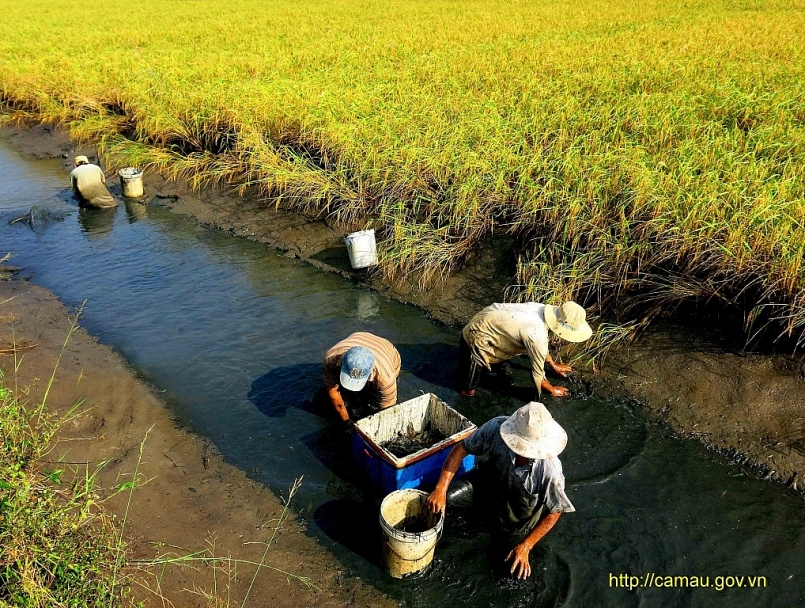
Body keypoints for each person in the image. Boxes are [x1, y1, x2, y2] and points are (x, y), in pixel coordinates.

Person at [426, 402, 574, 579]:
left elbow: (555, 510)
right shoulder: (496, 428)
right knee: (446, 500)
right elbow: (460, 450)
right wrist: (440, 489)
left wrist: (526, 546)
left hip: (518, 518)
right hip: (489, 485)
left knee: (510, 570)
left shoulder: (550, 469)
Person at [459, 300, 592, 398]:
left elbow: (540, 345)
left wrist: (552, 364)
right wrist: (551, 389)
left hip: (492, 322)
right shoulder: (536, 334)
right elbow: (537, 373)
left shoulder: (541, 309)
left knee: (504, 372)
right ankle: (467, 388)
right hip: (476, 335)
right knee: (469, 391)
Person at [322, 331, 401, 423]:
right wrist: (346, 421)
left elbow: (387, 408)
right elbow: (332, 391)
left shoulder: (386, 377)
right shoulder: (331, 358)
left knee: (374, 399)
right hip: (359, 336)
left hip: (387, 350)